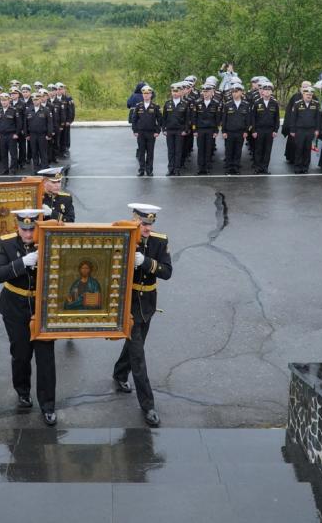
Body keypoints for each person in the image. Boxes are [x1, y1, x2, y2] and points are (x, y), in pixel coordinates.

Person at [0, 208, 57, 426]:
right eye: (24, 229)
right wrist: (22, 263)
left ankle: (48, 405)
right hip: (15, 306)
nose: (28, 235)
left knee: (46, 357)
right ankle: (23, 391)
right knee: (21, 354)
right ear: (17, 227)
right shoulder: (7, 243)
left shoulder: (49, 240)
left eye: (32, 229)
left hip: (42, 306)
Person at [112, 203, 172, 427]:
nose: (146, 228)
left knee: (135, 343)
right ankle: (148, 406)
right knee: (138, 354)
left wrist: (145, 262)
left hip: (147, 303)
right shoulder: (122, 237)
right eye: (143, 223)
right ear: (133, 219)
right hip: (127, 303)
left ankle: (119, 373)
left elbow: (167, 272)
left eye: (150, 223)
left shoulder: (159, 241)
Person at [287, 86, 320, 174]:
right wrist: (292, 130)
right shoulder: (297, 104)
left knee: (307, 149)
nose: (309, 96)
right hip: (299, 130)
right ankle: (297, 167)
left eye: (310, 94)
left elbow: (317, 118)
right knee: (299, 149)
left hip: (310, 130)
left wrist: (317, 129)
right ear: (303, 95)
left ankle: (305, 167)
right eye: (307, 94)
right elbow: (293, 118)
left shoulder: (315, 104)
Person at [131, 85, 162, 177]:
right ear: (142, 95)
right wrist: (135, 130)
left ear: (151, 94)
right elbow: (134, 119)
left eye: (148, 93)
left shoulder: (155, 106)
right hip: (141, 133)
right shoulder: (138, 106)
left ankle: (149, 170)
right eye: (144, 93)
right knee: (141, 152)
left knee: (150, 152)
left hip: (151, 133)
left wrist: (157, 131)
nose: (146, 95)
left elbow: (160, 119)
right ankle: (141, 170)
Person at [192, 84, 221, 175]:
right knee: (200, 149)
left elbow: (217, 118)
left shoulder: (216, 103)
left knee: (208, 149)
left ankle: (207, 168)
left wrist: (216, 131)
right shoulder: (197, 103)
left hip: (210, 130)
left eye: (207, 91)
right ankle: (200, 168)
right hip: (200, 129)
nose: (205, 93)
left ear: (212, 92)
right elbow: (194, 118)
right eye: (204, 91)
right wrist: (194, 130)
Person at [162, 83, 190, 176]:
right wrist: (164, 129)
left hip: (179, 131)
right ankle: (170, 169)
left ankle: (177, 169)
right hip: (170, 130)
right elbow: (164, 118)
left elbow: (187, 119)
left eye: (177, 91)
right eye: (173, 91)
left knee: (178, 151)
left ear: (180, 92)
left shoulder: (185, 104)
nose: (175, 93)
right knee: (170, 151)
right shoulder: (167, 103)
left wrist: (185, 130)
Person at [221, 84, 249, 175]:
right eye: (233, 92)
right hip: (229, 132)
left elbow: (248, 120)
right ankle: (229, 168)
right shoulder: (227, 104)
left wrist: (246, 131)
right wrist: (224, 131)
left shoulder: (246, 104)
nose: (234, 94)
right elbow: (224, 119)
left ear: (241, 92)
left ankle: (236, 167)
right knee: (229, 151)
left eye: (236, 92)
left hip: (240, 132)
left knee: (238, 150)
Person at [25, 90, 54, 173]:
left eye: (37, 99)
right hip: (32, 135)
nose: (35, 101)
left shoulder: (46, 110)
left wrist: (49, 134)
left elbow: (49, 123)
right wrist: (27, 134)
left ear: (40, 100)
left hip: (42, 135)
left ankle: (44, 168)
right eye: (34, 100)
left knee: (43, 152)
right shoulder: (28, 110)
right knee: (34, 152)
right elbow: (25, 123)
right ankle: (36, 168)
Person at [0, 92, 22, 175]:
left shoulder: (14, 110)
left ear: (9, 101)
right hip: (2, 135)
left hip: (11, 135)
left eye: (5, 100)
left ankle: (13, 169)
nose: (4, 102)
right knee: (3, 154)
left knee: (13, 154)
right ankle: (5, 169)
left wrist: (17, 133)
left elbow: (18, 123)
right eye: (2, 100)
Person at [282, 81, 310, 165]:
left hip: (308, 127)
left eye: (307, 87)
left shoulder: (313, 98)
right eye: (304, 87)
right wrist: (289, 125)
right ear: (301, 88)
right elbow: (289, 111)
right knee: (293, 143)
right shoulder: (295, 97)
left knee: (306, 145)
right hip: (296, 125)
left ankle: (305, 160)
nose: (305, 89)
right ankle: (292, 158)